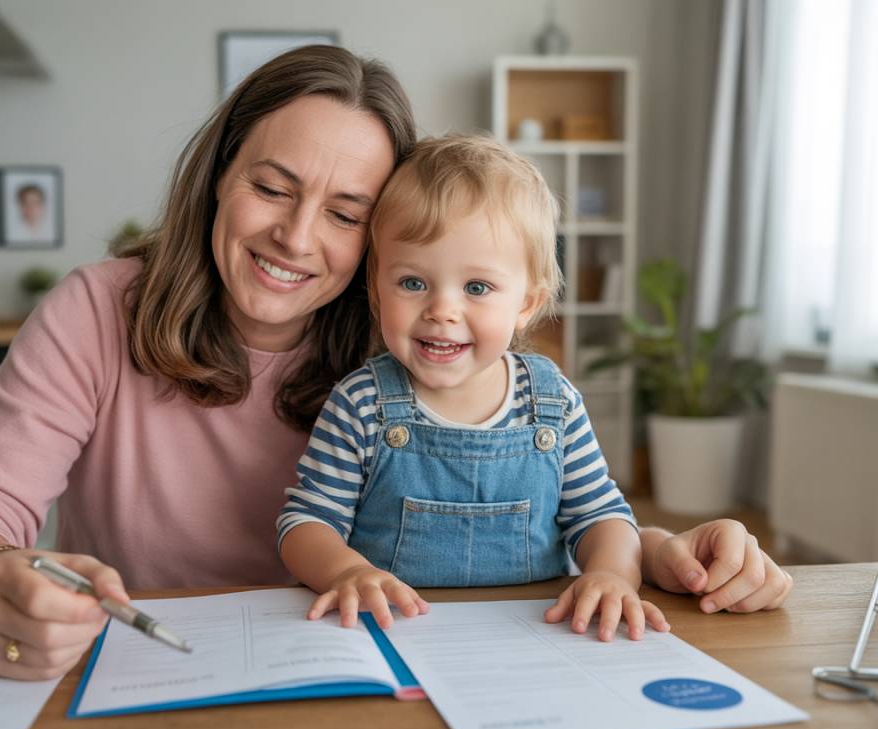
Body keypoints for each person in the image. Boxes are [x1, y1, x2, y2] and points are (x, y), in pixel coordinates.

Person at [0, 46, 792, 682]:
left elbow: (531, 505)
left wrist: (666, 553)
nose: (295, 237)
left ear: (381, 241)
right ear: (219, 173)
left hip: (386, 672)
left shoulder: (414, 337)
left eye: (344, 212)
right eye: (272, 187)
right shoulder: (97, 310)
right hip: (143, 675)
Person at [278, 136, 666, 641]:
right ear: (376, 289)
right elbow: (306, 523)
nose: (442, 310)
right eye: (413, 283)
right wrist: (345, 572)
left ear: (527, 303)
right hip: (393, 631)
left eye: (476, 288)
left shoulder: (554, 403)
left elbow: (601, 516)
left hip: (536, 635)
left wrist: (612, 576)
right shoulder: (361, 404)